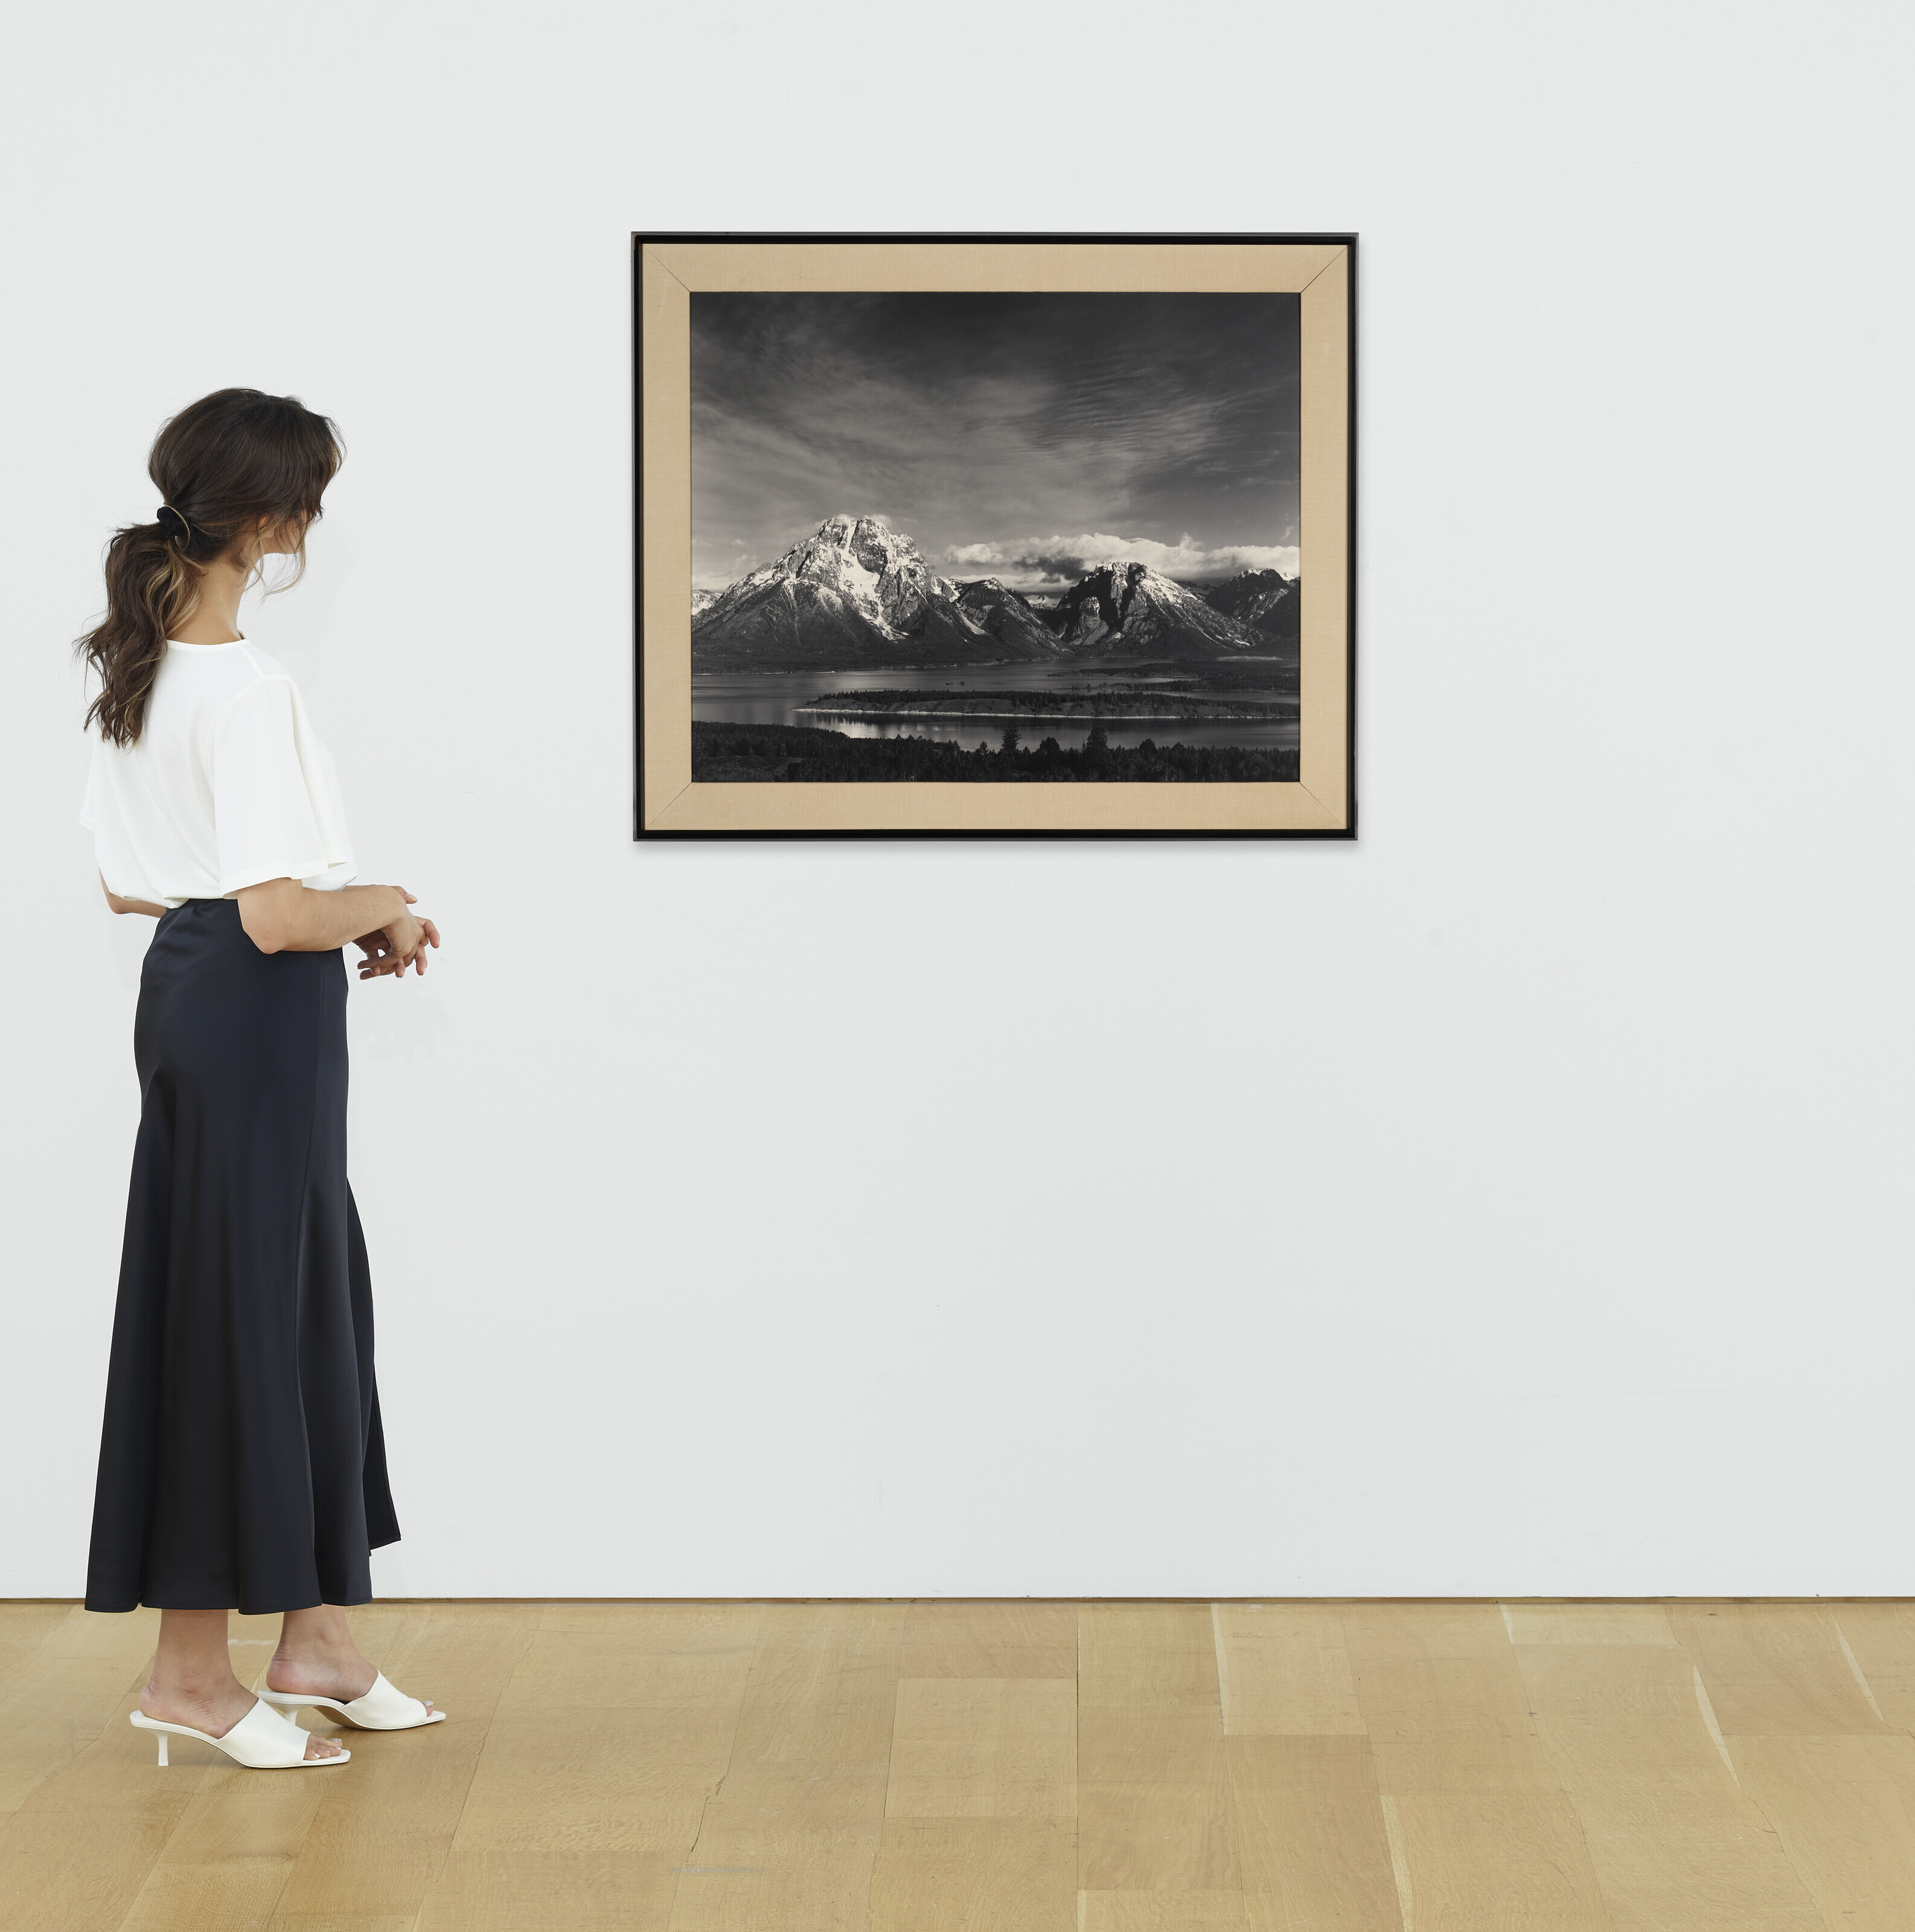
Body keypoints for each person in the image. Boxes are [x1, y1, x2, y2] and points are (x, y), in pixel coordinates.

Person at [77, 389, 444, 1770]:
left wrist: (335, 907)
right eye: (313, 502)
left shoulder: (133, 668)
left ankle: (315, 1641)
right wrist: (391, 897)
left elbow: (131, 883)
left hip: (198, 999)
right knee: (237, 1308)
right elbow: (283, 912)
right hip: (255, 1007)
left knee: (280, 1295)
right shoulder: (248, 686)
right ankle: (186, 1672)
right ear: (276, 522)